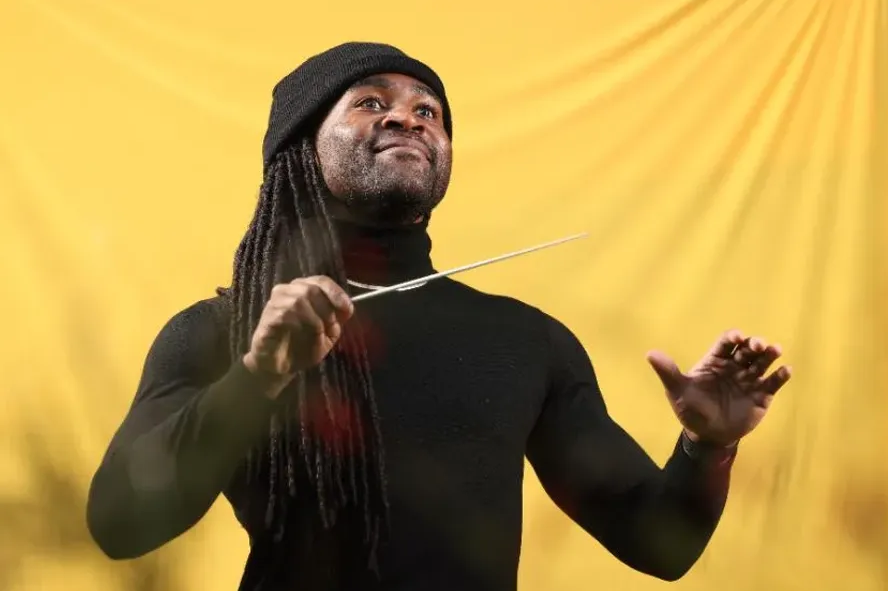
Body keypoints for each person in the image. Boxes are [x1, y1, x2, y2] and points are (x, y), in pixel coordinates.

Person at [86, 42, 791, 591]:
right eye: (369, 102)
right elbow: (120, 521)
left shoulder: (525, 341)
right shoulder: (222, 331)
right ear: (300, 148)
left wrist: (708, 448)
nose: (406, 117)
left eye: (429, 112)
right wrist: (257, 376)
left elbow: (659, 543)